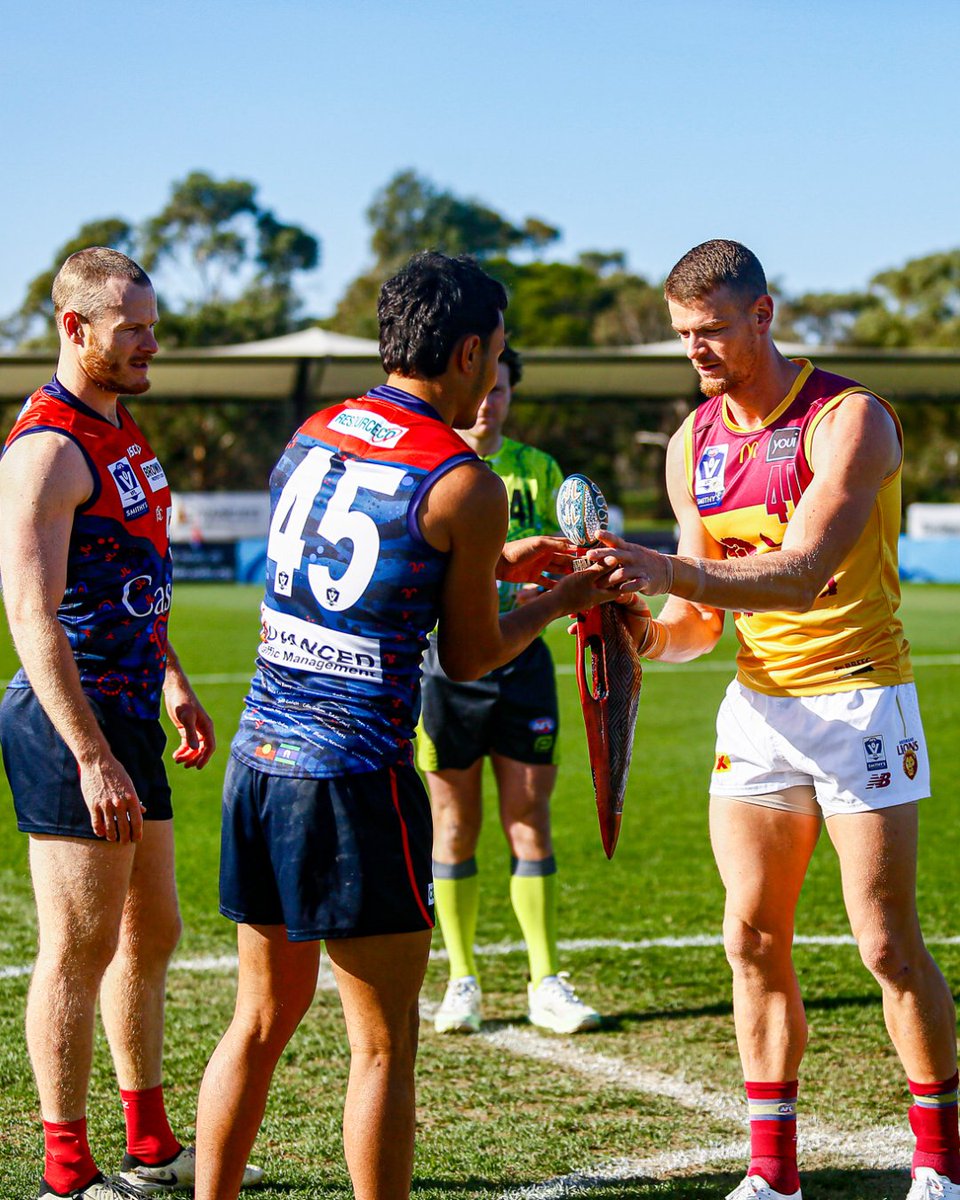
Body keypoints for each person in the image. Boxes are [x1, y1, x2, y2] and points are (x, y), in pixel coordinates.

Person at [193, 251, 612, 1200]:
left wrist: (497, 561)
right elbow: (467, 658)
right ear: (469, 352)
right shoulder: (465, 478)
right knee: (381, 1047)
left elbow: (369, 563)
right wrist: (558, 597)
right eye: (496, 351)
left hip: (261, 761)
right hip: (355, 780)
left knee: (258, 1021)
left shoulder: (313, 432)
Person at [589, 239, 959, 1200]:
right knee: (750, 937)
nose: (696, 352)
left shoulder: (851, 420)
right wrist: (638, 633)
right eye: (682, 336)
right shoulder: (692, 444)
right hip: (758, 709)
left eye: (710, 331)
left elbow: (798, 576)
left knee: (885, 944)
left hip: (861, 697)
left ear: (764, 314)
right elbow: (699, 625)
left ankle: (942, 1166)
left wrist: (668, 571)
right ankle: (772, 1174)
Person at [0, 248, 262, 1198]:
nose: (152, 343)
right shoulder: (46, 450)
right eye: (134, 329)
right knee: (78, 945)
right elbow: (31, 616)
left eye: (154, 324)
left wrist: (172, 680)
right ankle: (65, 1174)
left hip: (129, 714)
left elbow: (131, 590)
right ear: (76, 329)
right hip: (71, 728)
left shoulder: (126, 430)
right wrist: (91, 755)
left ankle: (149, 1146)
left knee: (152, 933)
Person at [418, 343, 600, 1036]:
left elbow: (566, 556)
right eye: (484, 386)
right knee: (454, 824)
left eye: (503, 391)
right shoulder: (435, 464)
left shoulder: (539, 469)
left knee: (530, 819)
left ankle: (544, 979)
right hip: (447, 669)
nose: (489, 401)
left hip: (522, 666)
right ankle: (461, 978)